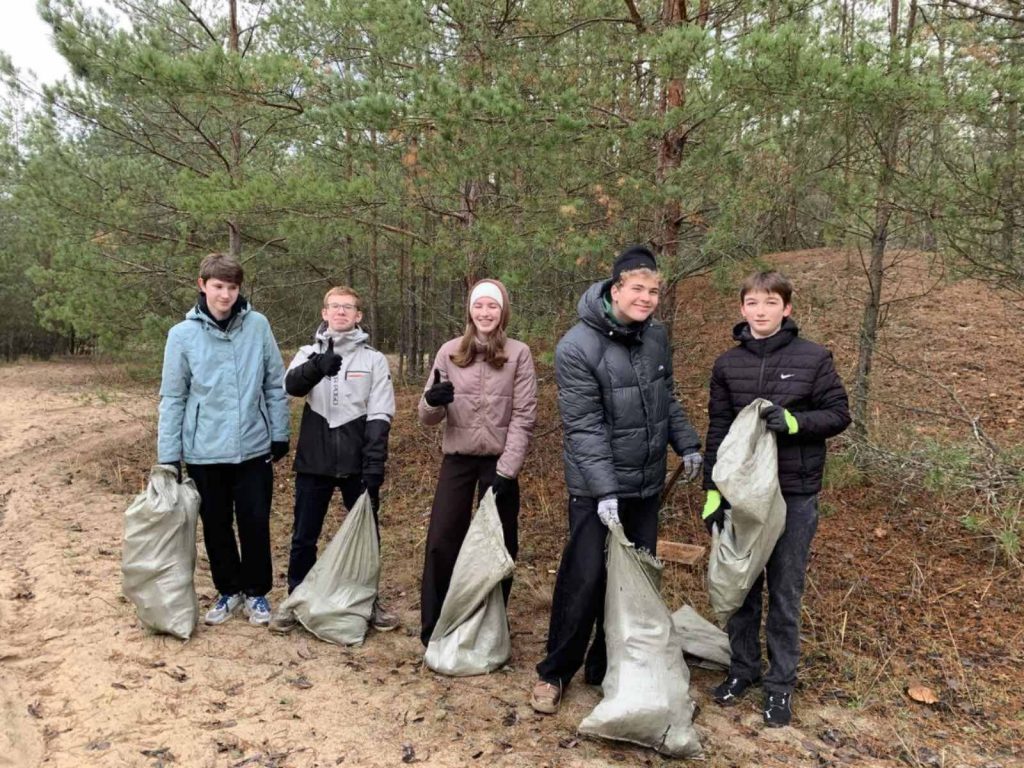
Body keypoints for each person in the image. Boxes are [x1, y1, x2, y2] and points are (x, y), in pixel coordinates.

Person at [530, 245, 703, 714]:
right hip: (595, 489)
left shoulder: (656, 336)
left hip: (645, 483)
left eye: (654, 291)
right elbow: (583, 426)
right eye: (637, 289)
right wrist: (605, 490)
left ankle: (606, 666)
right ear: (616, 288)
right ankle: (554, 672)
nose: (646, 298)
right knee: (585, 578)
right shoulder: (576, 346)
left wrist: (687, 443)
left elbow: (666, 397)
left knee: (634, 583)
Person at [701, 270, 850, 727]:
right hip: (742, 497)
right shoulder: (728, 365)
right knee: (742, 585)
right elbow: (718, 429)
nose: (760, 311)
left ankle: (780, 686)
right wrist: (712, 491)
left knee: (785, 592)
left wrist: (796, 423)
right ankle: (742, 669)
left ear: (787, 308)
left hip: (793, 494)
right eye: (752, 302)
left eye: (770, 303)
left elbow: (839, 414)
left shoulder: (813, 358)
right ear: (742, 309)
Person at [157, 252, 290, 627]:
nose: (225, 295)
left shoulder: (258, 325)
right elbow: (173, 397)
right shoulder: (181, 335)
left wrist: (279, 432)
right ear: (202, 285)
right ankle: (229, 590)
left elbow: (274, 383)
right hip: (204, 450)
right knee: (216, 526)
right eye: (218, 286)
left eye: (232, 287)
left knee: (255, 523)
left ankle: (257, 592)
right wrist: (169, 455)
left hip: (253, 447)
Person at [268, 286, 398, 633]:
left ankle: (368, 601)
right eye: (335, 306)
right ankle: (295, 599)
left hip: (358, 461)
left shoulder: (374, 360)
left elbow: (381, 412)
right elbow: (291, 387)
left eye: (348, 307)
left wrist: (375, 463)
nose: (341, 312)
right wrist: (316, 367)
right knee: (303, 536)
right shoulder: (307, 353)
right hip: (315, 459)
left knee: (366, 536)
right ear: (324, 313)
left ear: (358, 316)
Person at [418, 278, 537, 647]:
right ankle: (435, 626)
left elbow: (524, 415)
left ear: (503, 312)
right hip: (458, 459)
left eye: (492, 306)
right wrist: (433, 401)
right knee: (442, 539)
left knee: (499, 545)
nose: (485, 313)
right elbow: (426, 416)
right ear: (470, 311)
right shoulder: (450, 352)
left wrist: (507, 469)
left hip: (500, 464)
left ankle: (490, 626)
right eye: (479, 306)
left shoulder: (518, 354)